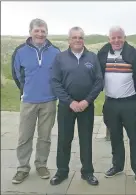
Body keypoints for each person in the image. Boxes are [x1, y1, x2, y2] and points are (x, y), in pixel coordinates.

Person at [50, 26, 103, 186]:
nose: (78, 40)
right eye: (74, 37)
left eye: (80, 37)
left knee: (86, 139)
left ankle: (87, 172)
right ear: (69, 40)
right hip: (67, 106)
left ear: (83, 40)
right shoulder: (60, 58)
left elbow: (99, 81)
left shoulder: (92, 57)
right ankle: (62, 172)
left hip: (87, 106)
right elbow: (55, 82)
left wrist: (87, 101)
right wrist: (70, 102)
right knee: (64, 139)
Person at [11, 18, 60, 184]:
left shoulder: (55, 51)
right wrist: (26, 91)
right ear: (30, 32)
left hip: (49, 101)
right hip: (28, 101)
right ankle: (22, 168)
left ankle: (41, 164)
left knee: (45, 136)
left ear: (47, 32)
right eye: (37, 31)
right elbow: (17, 75)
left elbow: (58, 75)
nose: (40, 34)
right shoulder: (20, 51)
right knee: (24, 136)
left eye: (43, 31)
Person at [97, 26, 136, 185]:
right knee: (115, 137)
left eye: (119, 37)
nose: (116, 40)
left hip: (129, 103)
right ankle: (117, 166)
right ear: (109, 39)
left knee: (135, 138)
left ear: (124, 38)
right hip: (110, 102)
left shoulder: (135, 55)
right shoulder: (103, 53)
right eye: (113, 37)